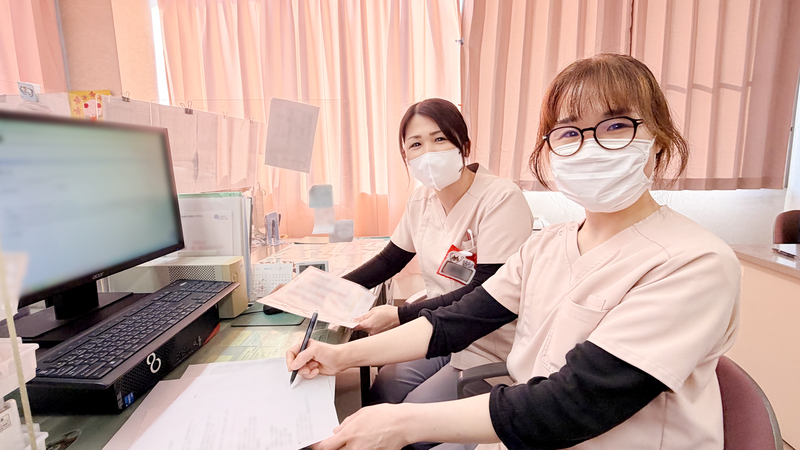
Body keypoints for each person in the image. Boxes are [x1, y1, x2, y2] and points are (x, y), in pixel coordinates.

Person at [287, 53, 740, 450]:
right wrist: (340, 356)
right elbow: (458, 319)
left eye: (616, 125)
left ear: (659, 139)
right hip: (523, 428)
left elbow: (575, 401)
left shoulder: (692, 262)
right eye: (569, 132)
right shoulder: (547, 246)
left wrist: (403, 424)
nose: (590, 145)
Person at [341, 98, 533, 416]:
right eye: (416, 144)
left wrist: (400, 316)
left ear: (464, 145)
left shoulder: (501, 198)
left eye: (439, 139)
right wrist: (322, 290)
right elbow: (389, 261)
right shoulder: (421, 200)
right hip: (439, 331)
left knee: (413, 412)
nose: (428, 153)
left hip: (487, 342)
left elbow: (486, 290)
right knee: (385, 386)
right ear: (406, 155)